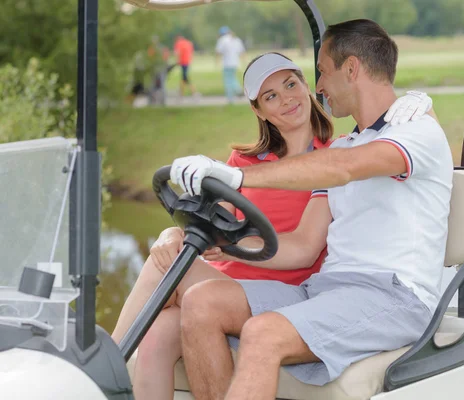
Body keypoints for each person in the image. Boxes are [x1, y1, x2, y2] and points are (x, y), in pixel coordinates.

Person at [113, 50, 433, 399]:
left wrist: (420, 100)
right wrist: (171, 233)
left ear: (307, 85)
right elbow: (206, 224)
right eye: (270, 96)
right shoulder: (244, 162)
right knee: (158, 332)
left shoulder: (332, 157)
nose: (287, 99)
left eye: (291, 84)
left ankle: (106, 366)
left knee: (171, 273)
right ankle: (110, 371)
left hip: (280, 287)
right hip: (228, 282)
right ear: (258, 110)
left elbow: (306, 243)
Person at [215, 26, 246, 103]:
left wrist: (217, 61)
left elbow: (218, 52)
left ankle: (231, 98)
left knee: (228, 81)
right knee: (232, 78)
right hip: (235, 63)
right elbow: (241, 51)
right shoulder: (236, 39)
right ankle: (238, 90)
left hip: (227, 63)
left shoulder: (222, 40)